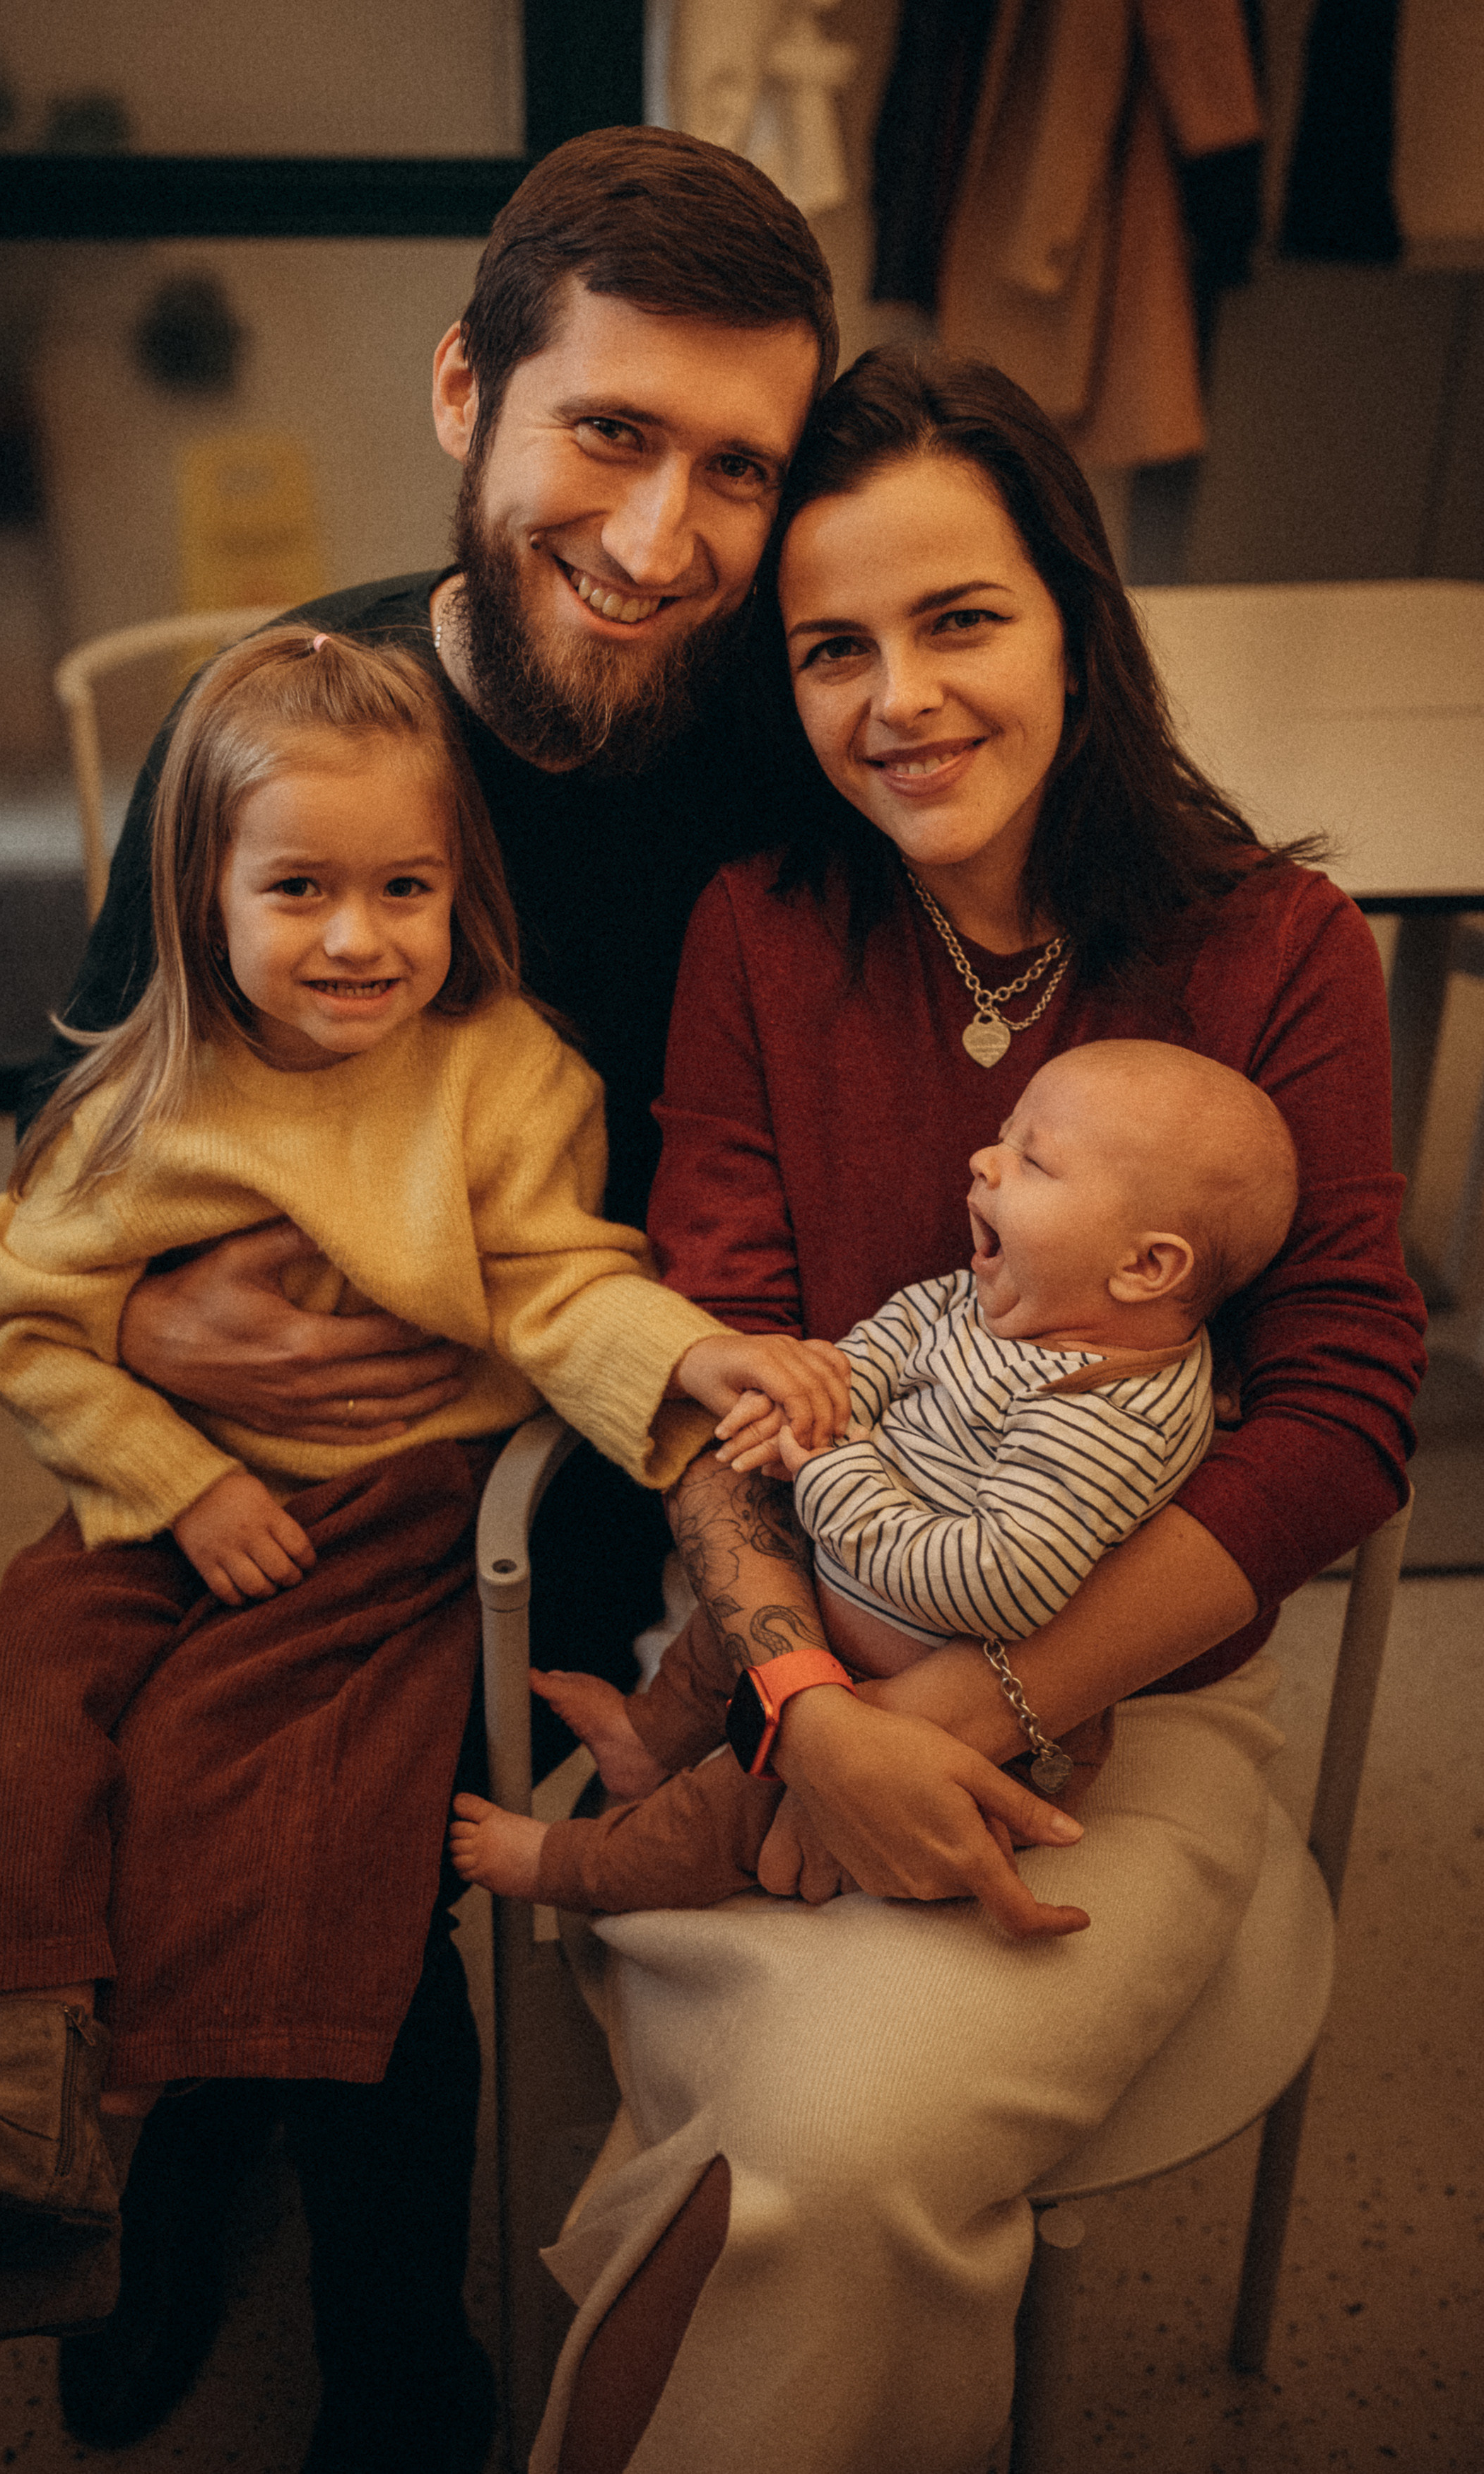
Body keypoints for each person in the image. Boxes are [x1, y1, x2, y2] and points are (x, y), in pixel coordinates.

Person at [0, 125, 840, 2464]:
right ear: (467, 392)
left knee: (326, 1810)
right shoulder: (291, 723)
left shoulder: (800, 769)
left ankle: (379, 2322)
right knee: (102, 1704)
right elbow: (77, 1130)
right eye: (606, 431)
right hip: (282, 1450)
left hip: (640, 1447)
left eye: (733, 470)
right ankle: (184, 2140)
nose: (659, 543)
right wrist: (147, 1333)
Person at [514, 350, 1425, 2474]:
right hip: (788, 1670)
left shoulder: (1275, 943)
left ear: (1073, 622)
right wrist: (813, 1698)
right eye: (833, 647)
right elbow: (712, 1345)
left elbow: (1346, 1407)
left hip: (1135, 1708)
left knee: (814, 2149)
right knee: (814, 2159)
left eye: (959, 618)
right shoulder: (759, 927)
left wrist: (979, 1704)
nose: (897, 695)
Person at [0, 631, 857, 2451]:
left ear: (460, 891)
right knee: (19, 1681)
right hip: (169, 1494)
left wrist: (689, 1348)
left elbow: (558, 1284)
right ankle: (28, 2081)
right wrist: (176, 1478)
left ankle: (311, 2278)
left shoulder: (499, 1077)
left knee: (275, 1803)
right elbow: (28, 1328)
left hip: (395, 1519)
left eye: (406, 888)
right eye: (297, 888)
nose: (358, 937)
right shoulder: (137, 1093)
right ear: (200, 893)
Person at [447, 1038, 1301, 1919]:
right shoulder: (1006, 1298)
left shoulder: (1104, 1415)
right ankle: (642, 1737)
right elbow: (897, 1332)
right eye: (1004, 1134)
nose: (984, 1157)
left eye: (1032, 1158)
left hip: (955, 1699)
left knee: (721, 1818)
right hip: (841, 1605)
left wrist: (825, 1459)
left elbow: (992, 1583)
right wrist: (817, 1387)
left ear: (1145, 1266)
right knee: (717, 1642)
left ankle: (572, 1863)